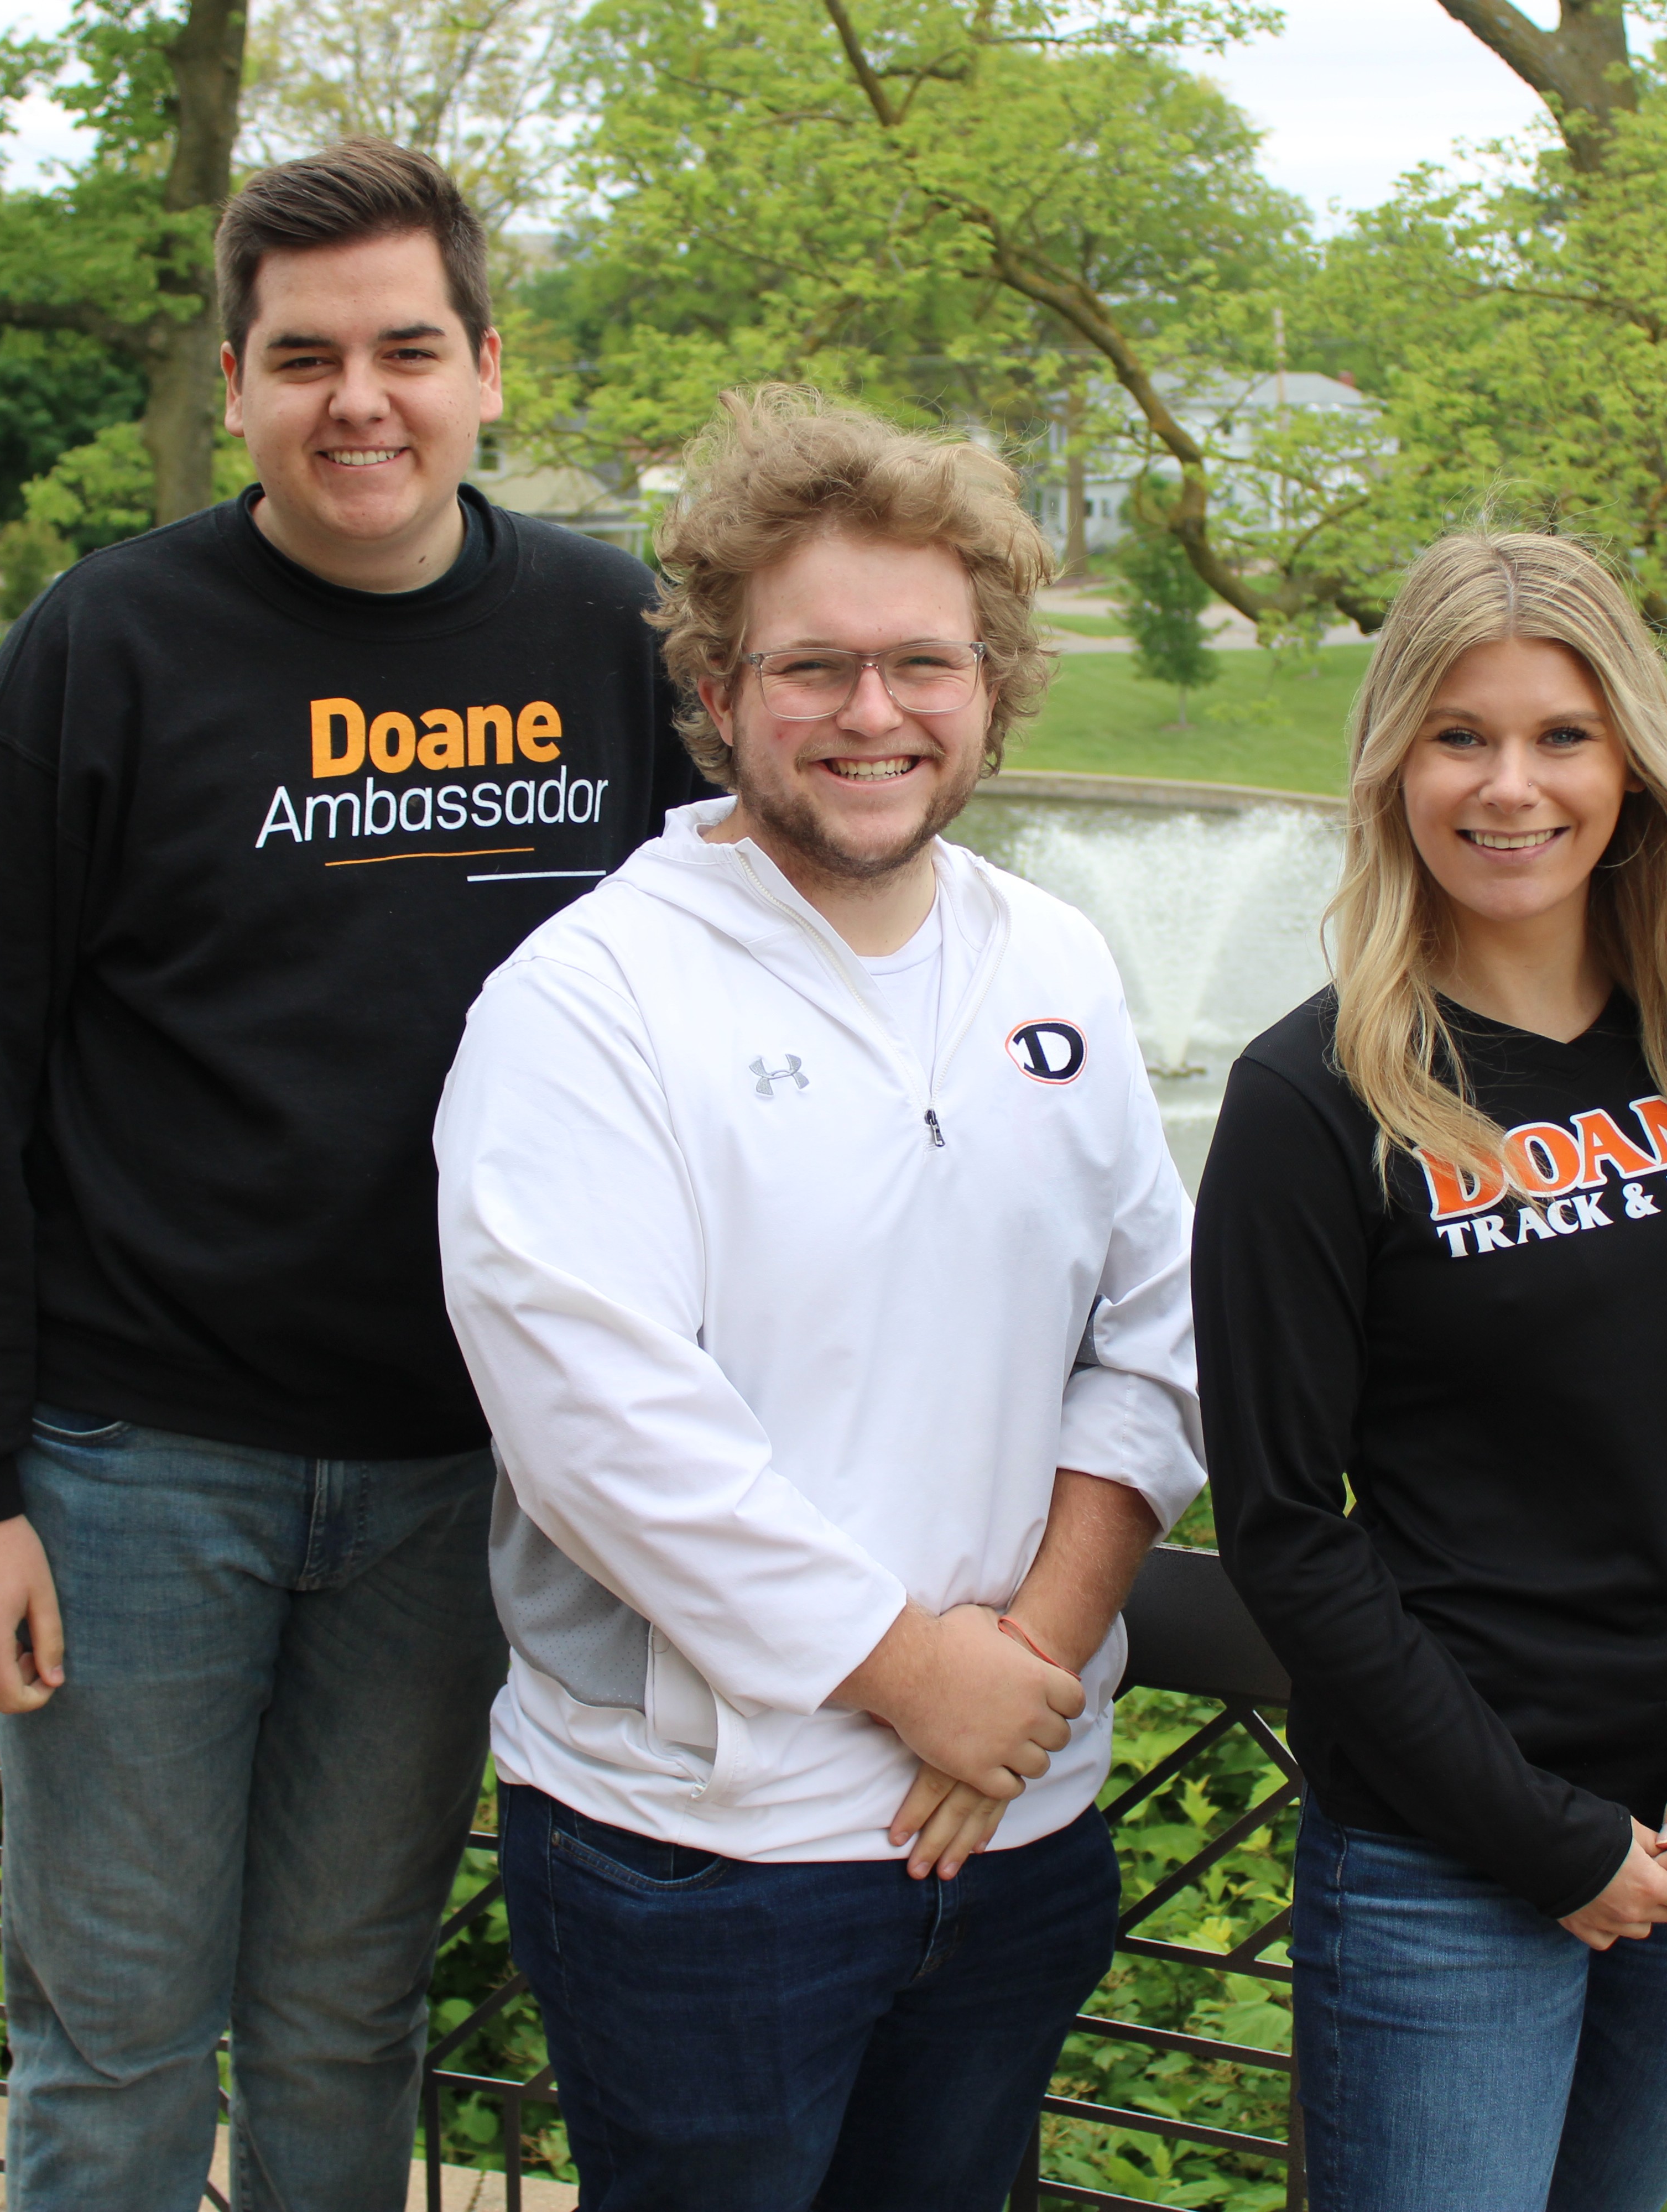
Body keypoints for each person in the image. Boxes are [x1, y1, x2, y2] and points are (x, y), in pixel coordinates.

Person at [0, 139, 695, 2211]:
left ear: (492, 366)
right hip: (137, 1474)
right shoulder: (106, 650)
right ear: (235, 383)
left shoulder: (618, 640)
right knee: (116, 2038)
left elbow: (750, 1020)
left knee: (347, 2022)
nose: (361, 403)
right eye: (304, 357)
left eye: (409, 348)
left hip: (464, 1477)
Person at [431, 385, 1203, 2211]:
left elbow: (1158, 1338)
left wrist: (1021, 1669)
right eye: (812, 668)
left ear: (996, 684)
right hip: (701, 1858)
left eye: (924, 663)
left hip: (1016, 1821)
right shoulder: (586, 1003)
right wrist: (917, 1676)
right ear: (715, 693)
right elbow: (608, 1437)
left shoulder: (1059, 960)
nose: (873, 714)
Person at [1190, 530, 1667, 2212]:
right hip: (1453, 1864)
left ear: (1635, 765)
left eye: (1562, 736)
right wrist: (1538, 1835)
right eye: (1460, 737)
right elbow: (1286, 1524)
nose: (1512, 788)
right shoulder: (1315, 1101)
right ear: (1393, 771)